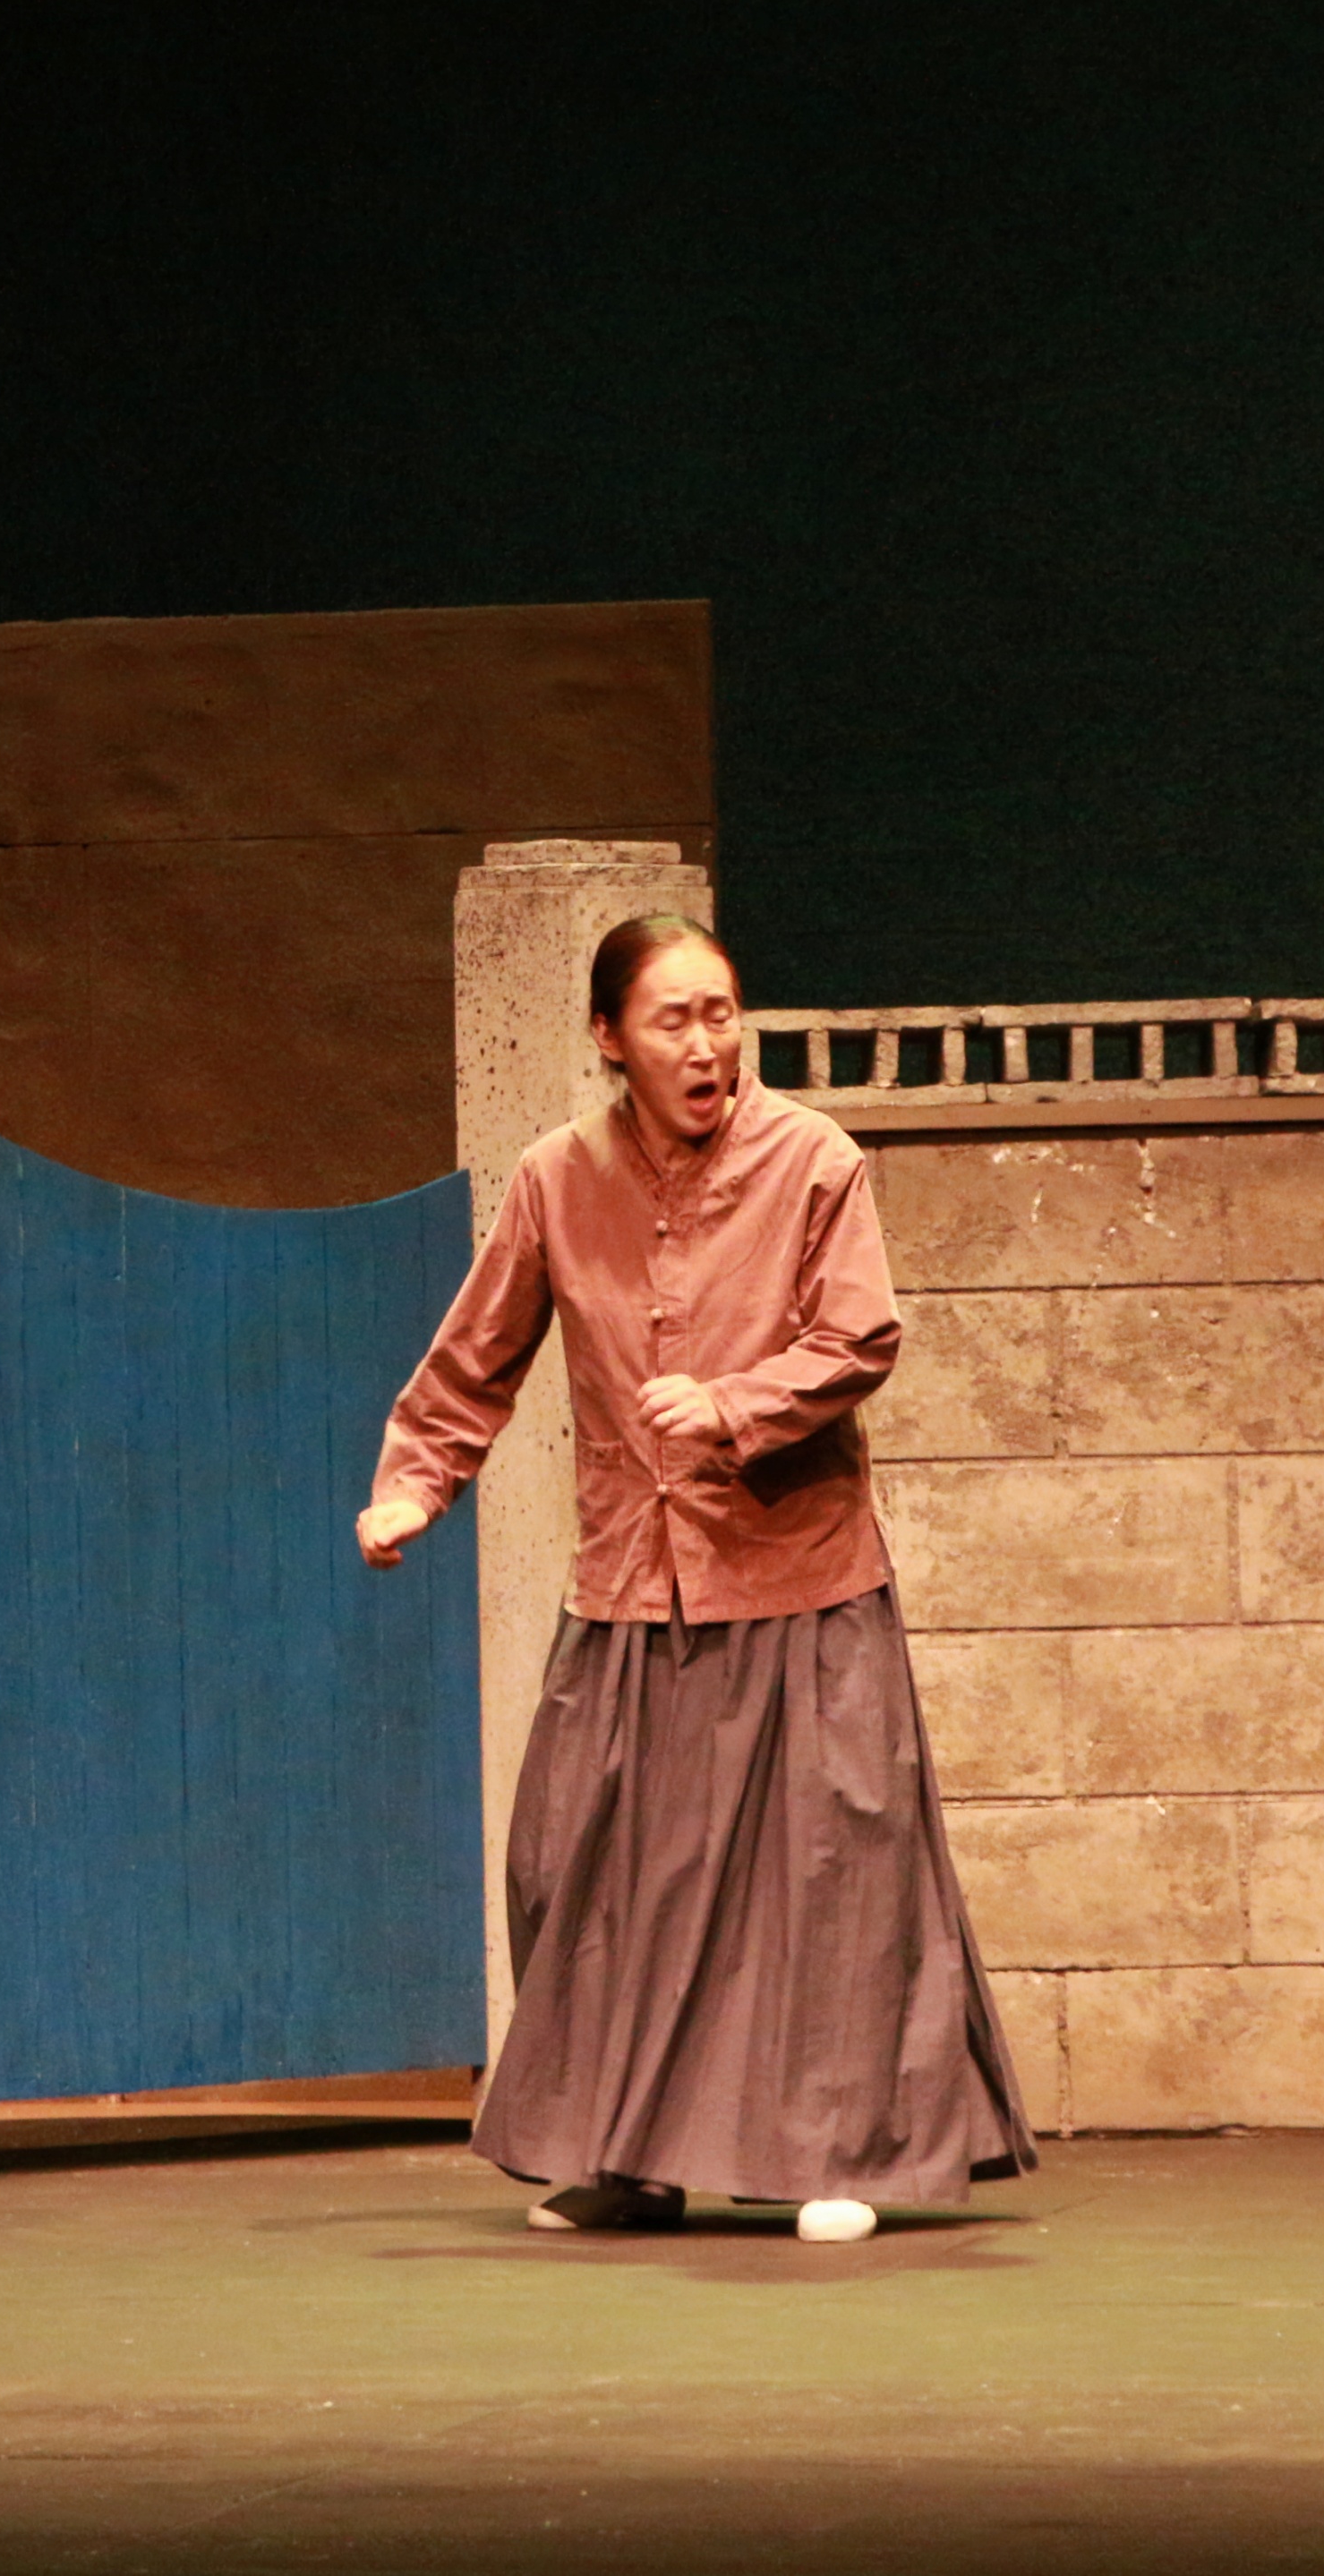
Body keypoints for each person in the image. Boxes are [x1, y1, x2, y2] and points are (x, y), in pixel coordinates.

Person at [357, 912, 1033, 2243]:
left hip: (796, 1573)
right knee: (583, 1868)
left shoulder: (811, 1160)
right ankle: (625, 2158)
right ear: (609, 1037)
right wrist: (414, 1481)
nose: (707, 1043)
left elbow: (858, 1334)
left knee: (826, 1876)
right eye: (674, 1019)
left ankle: (837, 2152)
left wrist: (733, 1402)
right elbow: (476, 1355)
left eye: (721, 1013)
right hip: (630, 1581)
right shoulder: (557, 1179)